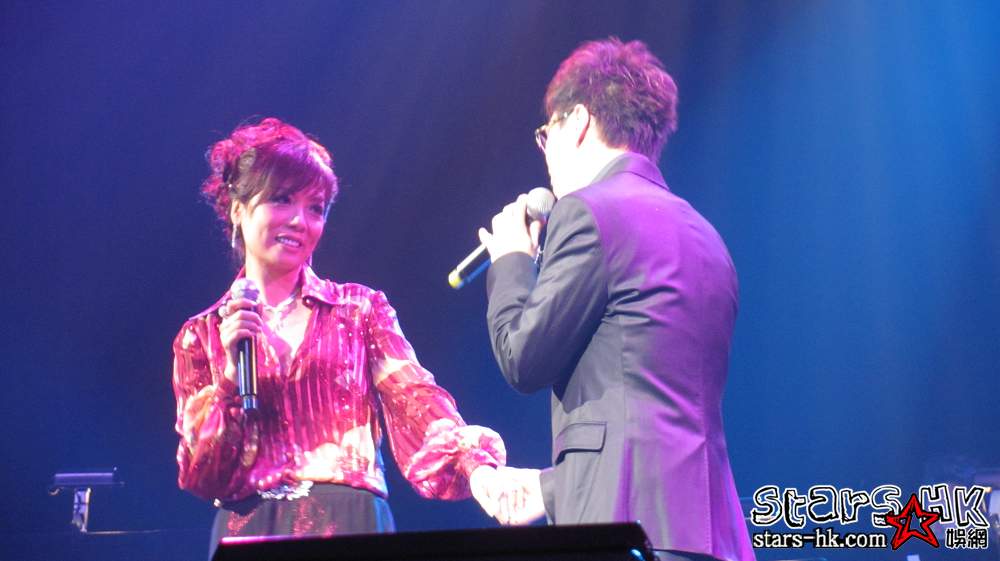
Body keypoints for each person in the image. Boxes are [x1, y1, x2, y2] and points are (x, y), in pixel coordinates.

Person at [172, 118, 510, 554]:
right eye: (281, 199)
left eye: (316, 208)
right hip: (249, 527)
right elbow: (201, 473)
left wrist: (477, 468)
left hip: (348, 521)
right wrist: (230, 381)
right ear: (238, 209)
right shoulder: (200, 335)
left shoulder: (358, 310)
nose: (300, 220)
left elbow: (416, 399)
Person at [478, 39, 756, 561]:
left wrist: (512, 261)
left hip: (628, 530)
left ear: (578, 122)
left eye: (546, 134)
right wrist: (548, 489)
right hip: (711, 531)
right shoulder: (706, 236)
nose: (546, 154)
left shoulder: (588, 212)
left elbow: (523, 360)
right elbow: (652, 410)